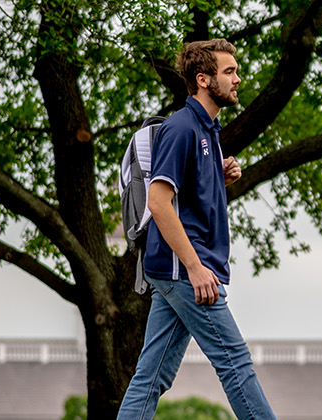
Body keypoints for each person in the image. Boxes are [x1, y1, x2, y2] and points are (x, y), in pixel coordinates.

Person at [116, 38, 275, 420]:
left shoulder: (208, 130)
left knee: (151, 376)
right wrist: (194, 267)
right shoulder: (183, 128)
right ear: (204, 79)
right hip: (186, 271)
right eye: (230, 72)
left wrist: (219, 175)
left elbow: (186, 193)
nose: (238, 79)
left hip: (180, 270)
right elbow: (158, 202)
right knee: (236, 363)